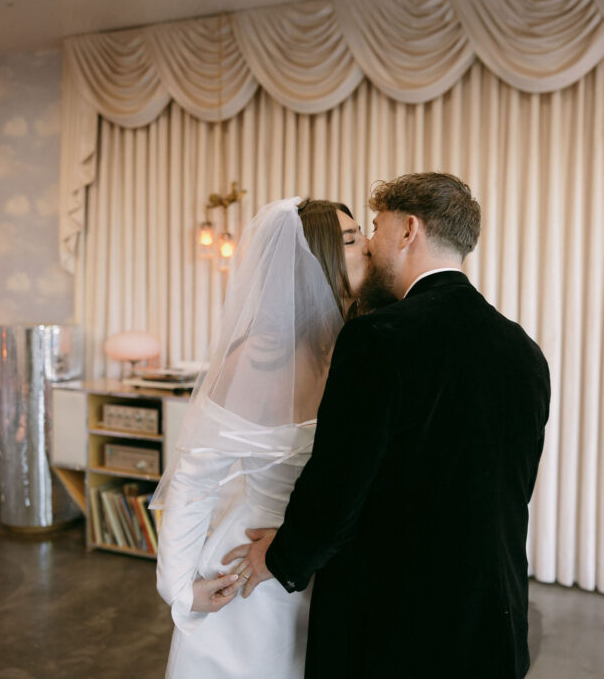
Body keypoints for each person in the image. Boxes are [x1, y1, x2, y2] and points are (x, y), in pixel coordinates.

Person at [224, 173, 552, 678]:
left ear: (408, 230)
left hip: (397, 626)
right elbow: (508, 489)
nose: (370, 246)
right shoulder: (524, 351)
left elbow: (339, 483)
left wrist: (283, 557)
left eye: (375, 227)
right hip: (494, 618)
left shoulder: (377, 338)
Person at [151, 197, 366, 678]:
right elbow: (195, 481)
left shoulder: (357, 345)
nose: (369, 246)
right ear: (316, 261)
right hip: (252, 565)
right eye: (352, 240)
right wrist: (180, 588)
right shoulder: (254, 358)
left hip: (327, 565)